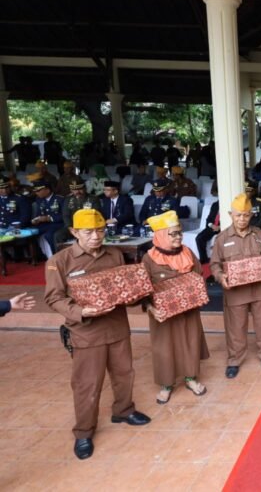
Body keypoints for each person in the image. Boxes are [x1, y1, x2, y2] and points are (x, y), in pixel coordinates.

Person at [43, 209, 151, 460]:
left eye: (100, 230)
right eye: (88, 232)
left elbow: (124, 287)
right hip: (86, 332)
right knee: (87, 384)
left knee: (124, 373)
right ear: (74, 232)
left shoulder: (114, 254)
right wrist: (81, 311)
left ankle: (124, 410)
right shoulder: (60, 261)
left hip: (117, 326)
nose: (95, 236)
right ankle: (83, 431)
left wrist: (137, 294)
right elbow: (54, 298)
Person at [142, 211, 209, 403]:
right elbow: (142, 288)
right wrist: (150, 308)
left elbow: (198, 274)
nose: (179, 237)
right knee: (165, 347)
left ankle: (191, 378)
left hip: (188, 310)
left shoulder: (187, 252)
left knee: (190, 342)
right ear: (161, 235)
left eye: (179, 232)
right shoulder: (149, 259)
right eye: (173, 233)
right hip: (163, 314)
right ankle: (166, 384)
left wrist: (197, 294)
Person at [211, 194, 261, 378]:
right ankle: (235, 360)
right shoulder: (222, 238)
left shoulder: (260, 235)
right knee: (235, 327)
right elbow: (214, 264)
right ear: (231, 214)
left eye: (246, 215)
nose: (242, 219)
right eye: (238, 215)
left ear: (251, 215)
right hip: (235, 292)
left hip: (260, 289)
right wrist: (220, 276)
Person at [57, 179, 103, 244]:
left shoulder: (93, 198)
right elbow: (65, 215)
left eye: (80, 189)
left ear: (85, 188)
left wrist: (84, 228)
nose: (77, 192)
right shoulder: (68, 199)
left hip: (88, 227)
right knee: (58, 235)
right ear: (71, 190)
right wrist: (70, 227)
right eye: (74, 190)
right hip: (73, 227)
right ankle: (63, 253)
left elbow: (95, 214)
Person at [30, 179, 65, 254]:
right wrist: (36, 220)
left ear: (48, 190)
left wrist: (50, 218)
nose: (36, 193)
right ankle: (38, 256)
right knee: (31, 233)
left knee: (49, 235)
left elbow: (64, 216)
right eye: (36, 191)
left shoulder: (60, 199)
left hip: (58, 224)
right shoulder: (39, 199)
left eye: (39, 191)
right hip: (44, 224)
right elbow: (39, 213)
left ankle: (55, 255)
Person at [195, 200, 220, 265]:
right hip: (212, 227)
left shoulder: (228, 204)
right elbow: (209, 219)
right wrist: (212, 225)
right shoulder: (215, 204)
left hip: (222, 228)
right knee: (199, 238)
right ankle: (204, 259)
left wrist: (219, 227)